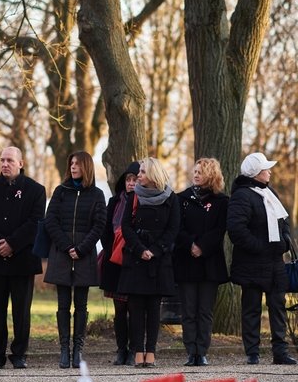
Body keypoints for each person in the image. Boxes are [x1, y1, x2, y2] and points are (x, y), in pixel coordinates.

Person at [0, 146, 46, 369]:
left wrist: (13, 243)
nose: (5, 164)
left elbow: (35, 221)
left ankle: (19, 354)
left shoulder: (36, 190)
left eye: (10, 160)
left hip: (22, 258)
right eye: (2, 160)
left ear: (20, 163)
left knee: (21, 310)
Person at [227, 152, 296, 365]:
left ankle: (280, 352)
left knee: (278, 307)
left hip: (274, 262)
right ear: (256, 173)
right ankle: (253, 353)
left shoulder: (269, 192)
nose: (270, 171)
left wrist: (284, 242)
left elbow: (282, 221)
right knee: (251, 309)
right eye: (266, 169)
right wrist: (260, 247)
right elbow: (236, 230)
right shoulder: (242, 196)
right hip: (252, 263)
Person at [43, 152, 106, 369]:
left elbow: (99, 225)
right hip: (62, 254)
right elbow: (50, 221)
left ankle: (78, 349)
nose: (72, 167)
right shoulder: (61, 191)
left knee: (81, 304)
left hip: (84, 255)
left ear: (86, 166)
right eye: (71, 164)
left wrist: (81, 248)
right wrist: (67, 246)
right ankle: (64, 350)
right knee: (62, 304)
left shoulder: (97, 194)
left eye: (77, 164)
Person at [117, 157, 179, 368]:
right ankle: (137, 351)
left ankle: (151, 351)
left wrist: (154, 251)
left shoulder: (171, 198)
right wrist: (140, 249)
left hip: (158, 260)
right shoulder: (133, 197)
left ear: (152, 174)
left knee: (153, 308)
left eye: (142, 172)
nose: (138, 176)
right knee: (135, 308)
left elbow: (173, 229)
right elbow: (126, 226)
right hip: (136, 259)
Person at [174, 158, 229, 367]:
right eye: (194, 171)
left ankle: (202, 351)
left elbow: (219, 230)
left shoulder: (221, 201)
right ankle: (191, 351)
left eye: (201, 171)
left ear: (211, 175)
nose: (195, 174)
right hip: (186, 260)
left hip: (209, 263)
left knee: (205, 310)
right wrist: (191, 245)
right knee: (188, 309)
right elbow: (176, 228)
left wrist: (202, 247)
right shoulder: (181, 199)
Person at [99, 162, 139, 366]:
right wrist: (111, 249)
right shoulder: (115, 202)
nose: (131, 183)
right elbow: (105, 229)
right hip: (114, 261)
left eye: (135, 179)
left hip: (134, 261)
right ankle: (121, 349)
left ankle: (134, 349)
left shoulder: (144, 201)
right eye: (128, 180)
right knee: (119, 309)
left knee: (134, 307)